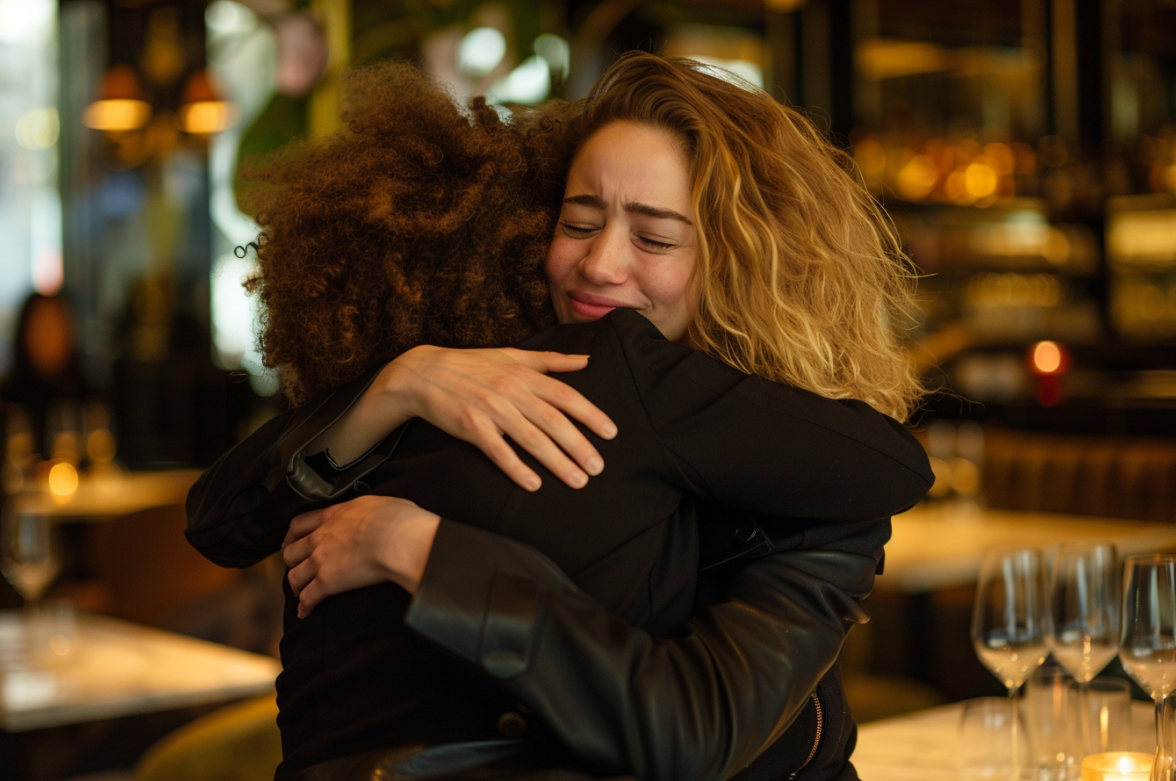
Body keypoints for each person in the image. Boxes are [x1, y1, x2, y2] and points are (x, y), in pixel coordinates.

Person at [187, 55, 930, 781]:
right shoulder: (491, 379)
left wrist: (414, 545)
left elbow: (692, 732)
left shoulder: (822, 483)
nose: (600, 264)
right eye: (578, 222)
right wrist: (401, 381)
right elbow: (220, 517)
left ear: (745, 257)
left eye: (654, 237)